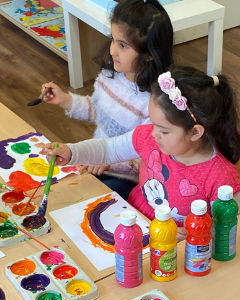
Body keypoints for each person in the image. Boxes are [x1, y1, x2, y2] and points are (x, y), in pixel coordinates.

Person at [43, 66, 240, 235]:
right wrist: (71, 152)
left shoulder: (221, 177)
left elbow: (231, 230)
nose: (154, 133)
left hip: (176, 253)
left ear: (195, 132)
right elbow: (108, 148)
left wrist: (197, 236)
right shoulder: (150, 137)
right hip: (134, 222)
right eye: (153, 123)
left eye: (163, 130)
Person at [39, 0, 173, 200]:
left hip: (127, 178)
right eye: (113, 40)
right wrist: (65, 100)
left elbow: (150, 157)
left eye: (123, 45)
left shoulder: (155, 103)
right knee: (59, 194)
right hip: (95, 161)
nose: (113, 51)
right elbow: (97, 111)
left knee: (91, 202)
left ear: (149, 54)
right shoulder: (108, 76)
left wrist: (110, 163)